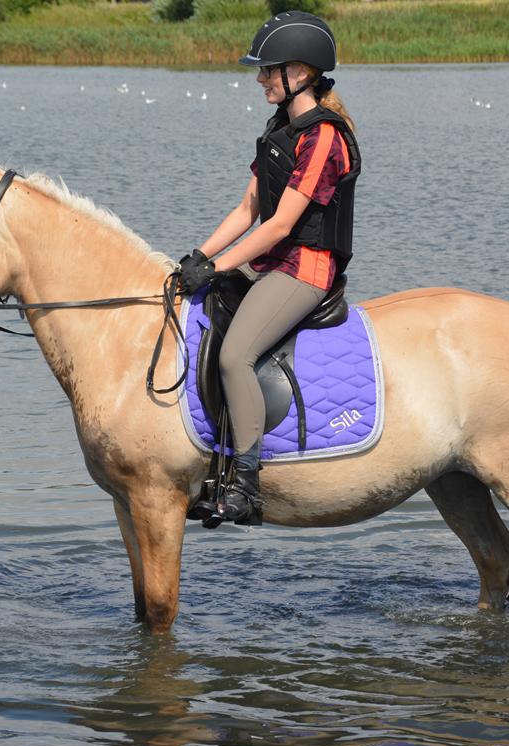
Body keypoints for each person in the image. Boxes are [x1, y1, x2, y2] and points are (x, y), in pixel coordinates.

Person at [178, 11, 361, 524]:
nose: (259, 78)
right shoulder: (281, 126)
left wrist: (216, 267)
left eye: (268, 70)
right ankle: (208, 463)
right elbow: (246, 211)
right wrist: (196, 257)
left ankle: (248, 485)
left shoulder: (324, 137)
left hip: (304, 269)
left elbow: (280, 226)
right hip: (270, 263)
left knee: (236, 356)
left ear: (299, 73)